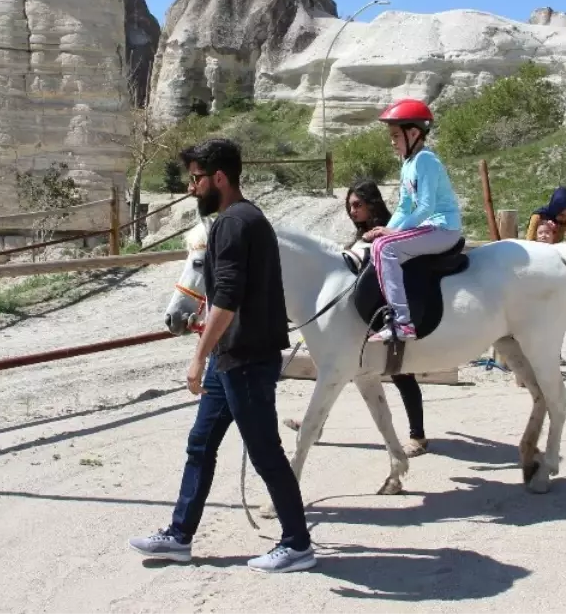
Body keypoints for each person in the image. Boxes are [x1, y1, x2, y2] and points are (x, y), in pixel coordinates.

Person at [129, 138, 315, 573]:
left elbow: (227, 299)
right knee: (201, 443)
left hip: (245, 357)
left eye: (196, 179)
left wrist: (198, 355)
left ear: (219, 178)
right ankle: (179, 536)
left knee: (265, 450)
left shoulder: (233, 224)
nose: (191, 188)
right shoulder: (247, 220)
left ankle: (297, 544)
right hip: (231, 358)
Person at [283, 179, 430, 456]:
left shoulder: (387, 230)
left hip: (386, 310)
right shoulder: (362, 234)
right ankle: (317, 424)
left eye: (357, 205)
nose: (352, 211)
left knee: (403, 375)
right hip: (360, 315)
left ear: (372, 204)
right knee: (334, 371)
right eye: (349, 206)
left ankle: (418, 436)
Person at [363, 99, 464, 342]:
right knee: (380, 243)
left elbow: (426, 207)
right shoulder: (408, 164)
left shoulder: (425, 161)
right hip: (428, 227)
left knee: (385, 247)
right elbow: (404, 206)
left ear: (414, 133)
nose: (392, 141)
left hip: (442, 227)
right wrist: (388, 229)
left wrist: (392, 236)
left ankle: (402, 322)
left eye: (396, 136)